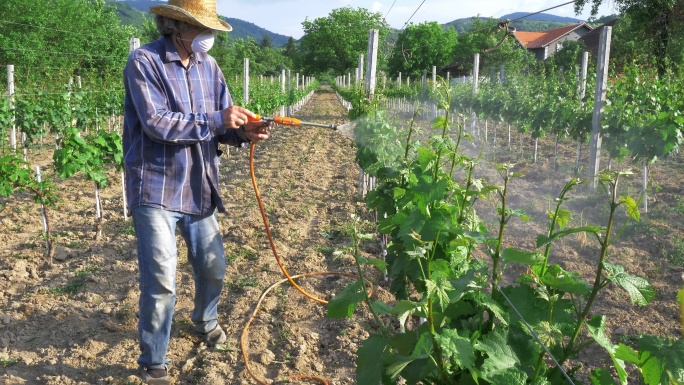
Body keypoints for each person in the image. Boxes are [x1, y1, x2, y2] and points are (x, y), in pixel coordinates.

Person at [122, 0, 270, 383]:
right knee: (161, 279)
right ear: (176, 26)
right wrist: (218, 119)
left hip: (198, 184)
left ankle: (205, 321)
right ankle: (153, 362)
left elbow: (222, 122)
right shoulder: (144, 62)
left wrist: (241, 131)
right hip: (155, 184)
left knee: (213, 265)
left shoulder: (210, 67)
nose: (209, 38)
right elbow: (156, 123)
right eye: (202, 30)